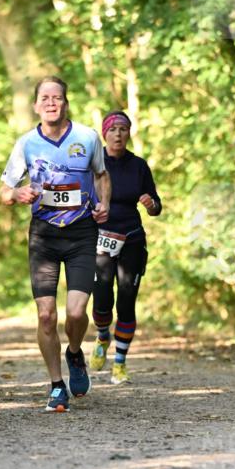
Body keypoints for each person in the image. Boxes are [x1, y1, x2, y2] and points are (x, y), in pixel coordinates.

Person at [0, 76, 111, 412]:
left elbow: (102, 175)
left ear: (65, 103)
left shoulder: (87, 137)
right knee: (46, 315)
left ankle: (74, 352)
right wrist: (17, 194)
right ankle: (56, 385)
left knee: (76, 313)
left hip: (81, 233)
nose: (51, 103)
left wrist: (103, 202)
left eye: (57, 97)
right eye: (45, 98)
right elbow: (4, 190)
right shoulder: (25, 144)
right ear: (35, 105)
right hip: (44, 235)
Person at [90, 111, 162, 385]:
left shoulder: (139, 166)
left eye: (123, 129)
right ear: (104, 133)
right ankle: (102, 335)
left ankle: (119, 363)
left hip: (131, 236)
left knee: (127, 298)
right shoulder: (95, 164)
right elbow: (84, 196)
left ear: (129, 133)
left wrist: (151, 204)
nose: (118, 134)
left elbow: (155, 204)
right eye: (113, 129)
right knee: (102, 294)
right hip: (101, 235)